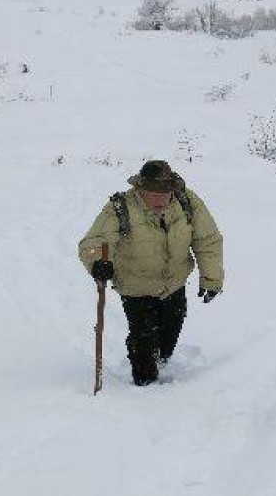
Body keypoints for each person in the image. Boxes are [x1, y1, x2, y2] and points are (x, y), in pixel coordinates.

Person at [78, 160, 224, 386]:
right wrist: (99, 262)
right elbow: (95, 240)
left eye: (165, 194)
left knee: (170, 333)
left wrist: (211, 278)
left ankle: (161, 360)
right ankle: (145, 387)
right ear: (140, 189)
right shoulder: (120, 207)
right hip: (136, 286)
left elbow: (207, 239)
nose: (160, 200)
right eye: (154, 194)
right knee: (143, 339)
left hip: (174, 283)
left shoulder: (186, 201)